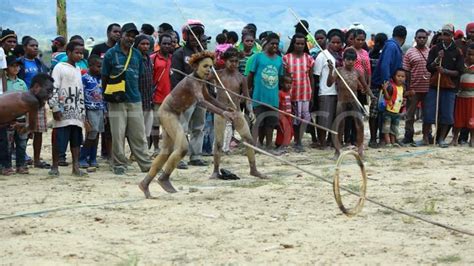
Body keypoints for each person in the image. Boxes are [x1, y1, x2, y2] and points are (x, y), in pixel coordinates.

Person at [139, 51, 236, 198]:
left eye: (210, 66)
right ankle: (164, 177)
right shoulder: (191, 81)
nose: (209, 70)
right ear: (196, 66)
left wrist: (224, 108)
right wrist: (223, 114)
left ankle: (145, 183)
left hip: (175, 114)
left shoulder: (200, 81)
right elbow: (202, 102)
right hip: (167, 112)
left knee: (166, 151)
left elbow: (208, 97)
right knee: (183, 147)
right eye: (205, 66)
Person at [102, 22, 152, 175]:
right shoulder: (111, 54)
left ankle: (145, 164)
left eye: (133, 36)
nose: (130, 38)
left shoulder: (137, 54)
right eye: (128, 35)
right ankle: (119, 164)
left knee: (139, 135)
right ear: (121, 35)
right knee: (118, 134)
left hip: (135, 99)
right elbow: (104, 77)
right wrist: (107, 97)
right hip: (116, 101)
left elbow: (141, 77)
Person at [207, 47, 264, 179]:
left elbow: (247, 97)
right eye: (231, 61)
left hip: (236, 111)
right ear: (225, 61)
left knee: (248, 139)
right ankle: (215, 170)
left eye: (236, 61)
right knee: (219, 142)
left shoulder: (241, 78)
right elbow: (202, 80)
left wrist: (250, 111)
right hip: (221, 111)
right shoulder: (218, 74)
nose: (234, 64)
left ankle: (253, 169)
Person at [170, 20, 208, 168]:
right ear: (185, 36)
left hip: (201, 95)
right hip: (185, 96)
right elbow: (174, 77)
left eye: (198, 34)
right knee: (182, 127)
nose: (195, 37)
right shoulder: (179, 53)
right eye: (192, 34)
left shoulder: (203, 54)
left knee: (198, 127)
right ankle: (179, 157)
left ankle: (196, 155)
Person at [0, 73, 54, 175]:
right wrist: (23, 127)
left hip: (7, 120)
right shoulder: (33, 101)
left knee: (13, 143)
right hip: (5, 121)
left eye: (51, 91)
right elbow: (32, 125)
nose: (49, 95)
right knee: (8, 143)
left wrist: (21, 125)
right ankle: (6, 167)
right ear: (36, 87)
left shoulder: (25, 94)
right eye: (48, 91)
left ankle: (15, 166)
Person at [327, 48, 374, 158]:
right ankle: (337, 151)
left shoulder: (358, 72)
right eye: (348, 59)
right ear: (343, 60)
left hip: (354, 101)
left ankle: (360, 149)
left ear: (355, 61)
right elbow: (329, 83)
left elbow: (365, 86)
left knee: (359, 124)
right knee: (339, 125)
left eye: (352, 60)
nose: (350, 62)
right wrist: (330, 70)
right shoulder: (338, 70)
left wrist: (372, 95)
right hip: (341, 101)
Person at [48, 41, 86, 176]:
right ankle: (54, 166)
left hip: (76, 112)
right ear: (68, 52)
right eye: (77, 52)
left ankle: (75, 167)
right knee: (59, 140)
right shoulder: (59, 67)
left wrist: (82, 112)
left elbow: (80, 91)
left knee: (76, 141)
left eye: (82, 53)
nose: (80, 56)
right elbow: (53, 88)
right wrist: (55, 107)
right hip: (63, 111)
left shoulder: (77, 69)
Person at [424, 24, 464, 148]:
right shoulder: (435, 48)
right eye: (442, 34)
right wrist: (437, 59)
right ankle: (425, 138)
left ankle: (441, 139)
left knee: (447, 113)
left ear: (452, 35)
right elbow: (429, 67)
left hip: (450, 87)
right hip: (434, 85)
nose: (444, 36)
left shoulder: (457, 51)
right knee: (429, 112)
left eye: (447, 34)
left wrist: (445, 71)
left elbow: (459, 71)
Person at [370, 26, 407, 147]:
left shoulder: (392, 46)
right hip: (382, 84)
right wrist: (386, 83)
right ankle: (374, 139)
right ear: (404, 38)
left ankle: (384, 139)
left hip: (388, 84)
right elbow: (385, 65)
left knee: (386, 112)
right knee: (377, 111)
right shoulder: (392, 46)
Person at [17, 37, 50, 169]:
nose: (35, 48)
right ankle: (21, 159)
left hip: (39, 101)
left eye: (36, 45)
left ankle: (36, 160)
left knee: (39, 131)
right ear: (24, 47)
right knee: (22, 131)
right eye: (32, 45)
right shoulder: (19, 63)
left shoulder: (40, 63)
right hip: (23, 101)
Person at [248, 33, 284, 150]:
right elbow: (251, 75)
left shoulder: (279, 60)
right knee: (259, 122)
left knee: (271, 122)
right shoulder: (258, 57)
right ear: (266, 44)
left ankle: (268, 144)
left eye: (277, 44)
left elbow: (280, 78)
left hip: (273, 97)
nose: (275, 46)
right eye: (272, 43)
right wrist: (248, 92)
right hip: (259, 96)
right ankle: (258, 143)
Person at [283, 33, 315, 152]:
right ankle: (296, 140)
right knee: (295, 118)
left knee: (305, 117)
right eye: (297, 43)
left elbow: (311, 77)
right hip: (292, 93)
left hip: (305, 92)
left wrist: (312, 95)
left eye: (302, 44)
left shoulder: (309, 58)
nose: (300, 46)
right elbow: (285, 76)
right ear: (293, 44)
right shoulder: (286, 58)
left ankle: (300, 139)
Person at [313, 29, 344, 149]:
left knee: (335, 119)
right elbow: (316, 75)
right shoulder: (322, 55)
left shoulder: (341, 56)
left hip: (339, 92)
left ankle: (332, 141)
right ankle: (322, 142)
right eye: (333, 42)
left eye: (338, 43)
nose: (336, 45)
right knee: (324, 119)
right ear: (328, 42)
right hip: (326, 91)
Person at [402, 29, 431, 145]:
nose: (422, 39)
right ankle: (408, 136)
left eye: (424, 37)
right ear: (415, 38)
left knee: (427, 114)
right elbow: (406, 71)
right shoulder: (409, 52)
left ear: (427, 38)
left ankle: (427, 135)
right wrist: (408, 88)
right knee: (410, 115)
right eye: (419, 37)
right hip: (414, 88)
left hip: (428, 89)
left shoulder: (430, 52)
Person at [4, 56, 29, 174]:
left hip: (21, 117)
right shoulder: (3, 82)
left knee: (22, 143)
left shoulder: (22, 83)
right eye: (12, 66)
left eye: (17, 66)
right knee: (7, 144)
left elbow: (26, 100)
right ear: (6, 67)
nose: (16, 68)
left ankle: (21, 165)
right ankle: (7, 165)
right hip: (7, 118)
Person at [79, 55, 105, 169]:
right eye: (98, 66)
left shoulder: (100, 78)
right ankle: (83, 156)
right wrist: (84, 113)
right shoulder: (85, 78)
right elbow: (82, 95)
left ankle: (93, 157)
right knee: (91, 133)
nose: (101, 69)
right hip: (90, 108)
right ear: (90, 66)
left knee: (97, 133)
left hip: (100, 108)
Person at [151, 33, 173, 156]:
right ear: (159, 44)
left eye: (169, 44)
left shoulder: (173, 59)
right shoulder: (153, 58)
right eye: (164, 43)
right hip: (156, 97)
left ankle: (167, 148)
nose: (166, 46)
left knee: (168, 125)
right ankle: (155, 148)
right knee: (155, 125)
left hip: (170, 98)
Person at [381, 69, 414, 147]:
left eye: (403, 76)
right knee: (387, 128)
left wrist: (409, 93)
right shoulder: (391, 87)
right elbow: (387, 97)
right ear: (394, 77)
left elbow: (402, 95)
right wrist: (385, 89)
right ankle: (388, 142)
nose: (400, 78)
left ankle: (393, 142)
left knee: (394, 128)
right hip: (389, 111)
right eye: (398, 76)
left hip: (397, 112)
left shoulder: (403, 87)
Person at [368, 33, 388, 147]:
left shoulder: (371, 54)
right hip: (380, 87)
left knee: (375, 113)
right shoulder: (379, 55)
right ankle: (377, 138)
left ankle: (374, 138)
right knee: (380, 113)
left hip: (376, 87)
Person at [452, 43, 474, 147]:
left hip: (472, 97)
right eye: (469, 54)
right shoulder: (461, 65)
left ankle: (472, 139)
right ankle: (455, 138)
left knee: (472, 118)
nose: (471, 57)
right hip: (461, 95)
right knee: (458, 118)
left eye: (473, 55)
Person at [134, 35, 154, 145]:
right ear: (137, 45)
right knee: (137, 128)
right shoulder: (135, 59)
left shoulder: (148, 59)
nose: (145, 46)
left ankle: (144, 149)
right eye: (142, 44)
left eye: (147, 44)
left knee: (147, 127)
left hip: (148, 99)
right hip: (138, 98)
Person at [275, 75, 293, 152]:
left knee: (290, 130)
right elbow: (279, 104)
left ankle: (285, 143)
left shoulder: (289, 93)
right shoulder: (280, 93)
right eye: (287, 83)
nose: (289, 85)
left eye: (290, 83)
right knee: (282, 130)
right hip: (282, 115)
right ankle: (279, 143)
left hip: (289, 115)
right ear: (282, 84)